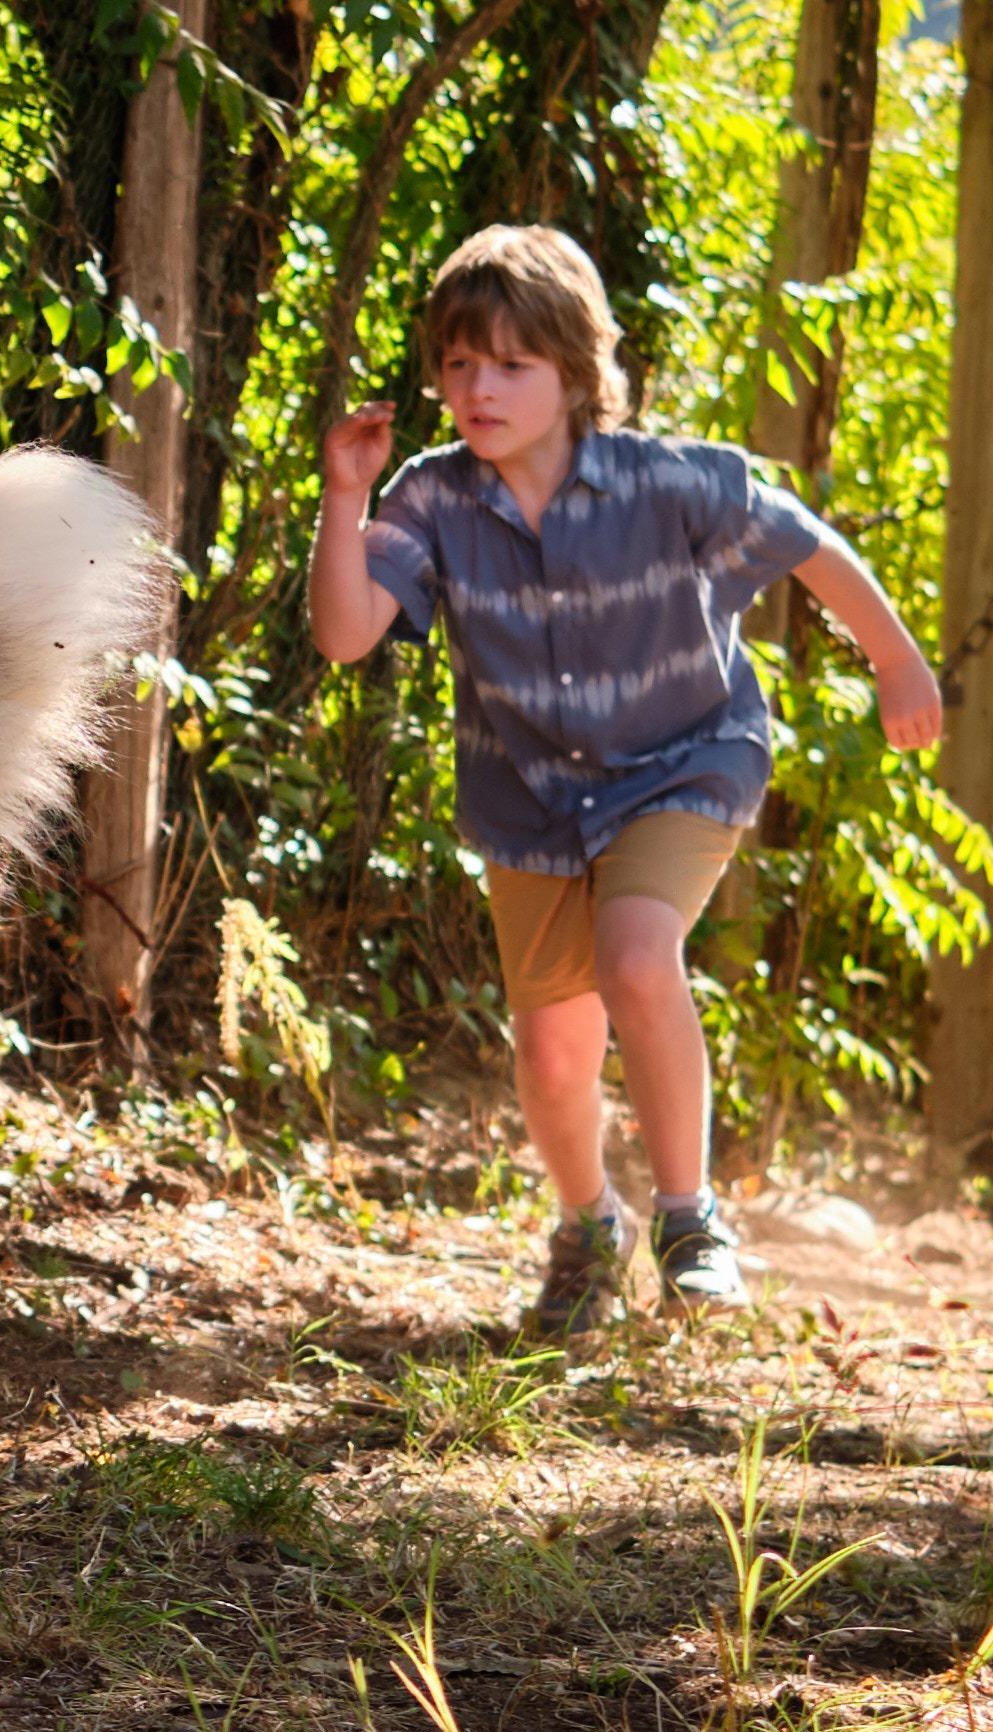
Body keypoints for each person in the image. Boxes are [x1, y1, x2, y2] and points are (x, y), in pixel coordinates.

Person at [307, 222, 947, 1326]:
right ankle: (588, 1222)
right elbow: (345, 635)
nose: (480, 388)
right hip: (531, 798)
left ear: (577, 372)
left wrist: (895, 659)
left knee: (638, 954)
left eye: (512, 364)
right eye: (460, 364)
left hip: (683, 758)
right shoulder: (434, 496)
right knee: (555, 1055)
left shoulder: (668, 481)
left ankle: (690, 1217)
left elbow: (808, 542)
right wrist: (343, 497)